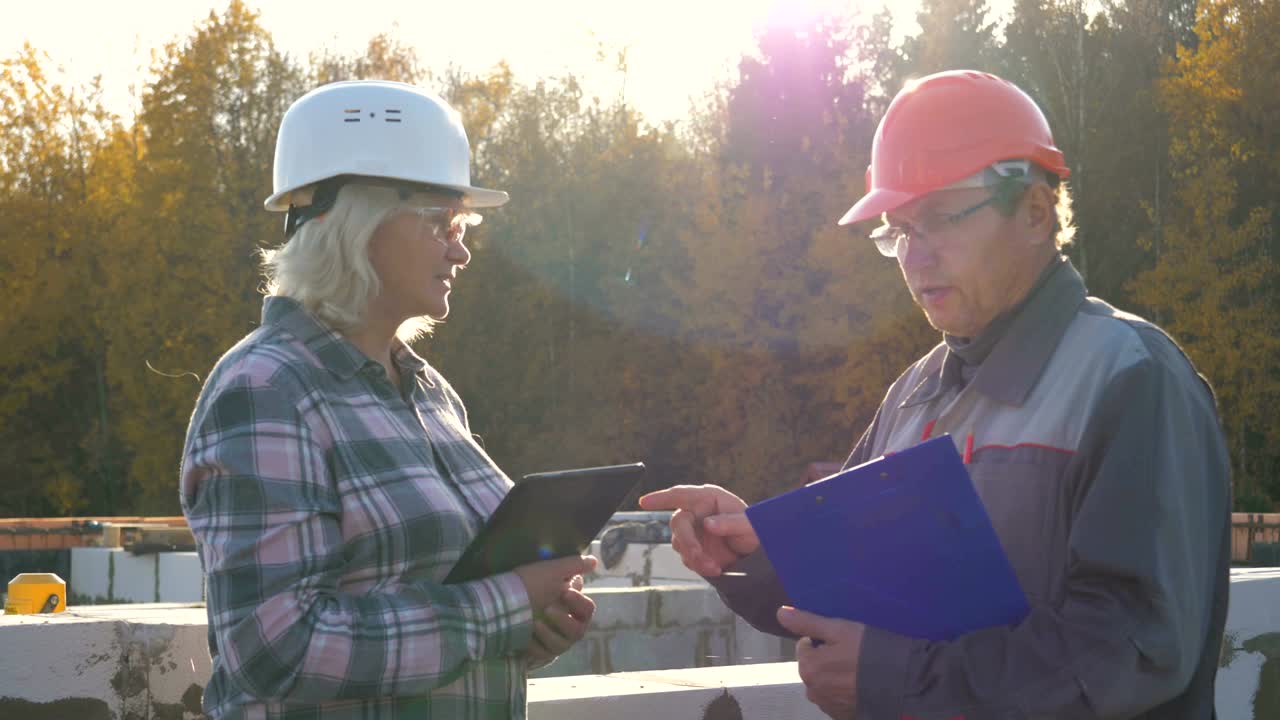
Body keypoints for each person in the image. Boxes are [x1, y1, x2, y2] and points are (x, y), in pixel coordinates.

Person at [641, 70, 1230, 719]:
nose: (914, 258)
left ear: (1036, 213)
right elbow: (858, 583)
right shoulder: (912, 395)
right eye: (898, 231)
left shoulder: (1134, 380)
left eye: (939, 220)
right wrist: (749, 555)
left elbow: (1128, 648)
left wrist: (902, 680)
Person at [180, 80, 596, 719]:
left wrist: (532, 631)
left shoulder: (430, 393)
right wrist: (506, 604)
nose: (461, 249)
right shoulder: (266, 388)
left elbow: (432, 627)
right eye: (441, 222)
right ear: (356, 225)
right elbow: (275, 650)